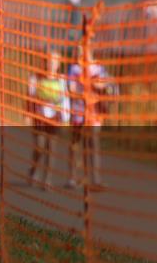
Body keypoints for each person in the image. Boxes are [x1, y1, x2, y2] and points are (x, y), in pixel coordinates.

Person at [66, 47, 117, 189]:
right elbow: (71, 89)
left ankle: (96, 179)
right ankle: (72, 177)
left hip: (94, 112)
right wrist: (83, 89)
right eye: (79, 51)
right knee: (75, 143)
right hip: (78, 111)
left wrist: (96, 84)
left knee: (93, 143)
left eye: (84, 51)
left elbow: (106, 83)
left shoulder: (98, 68)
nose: (81, 54)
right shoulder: (74, 68)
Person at [26, 50, 69, 191]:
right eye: (49, 60)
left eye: (55, 61)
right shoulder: (35, 78)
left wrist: (65, 118)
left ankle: (47, 179)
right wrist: (27, 114)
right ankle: (33, 169)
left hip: (55, 117)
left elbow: (65, 100)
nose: (52, 64)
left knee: (51, 148)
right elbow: (30, 98)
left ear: (58, 63)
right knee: (40, 146)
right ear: (45, 61)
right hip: (39, 117)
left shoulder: (62, 80)